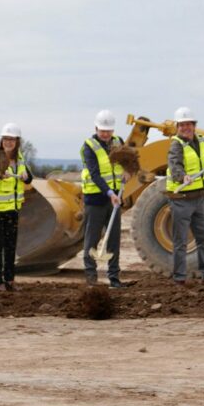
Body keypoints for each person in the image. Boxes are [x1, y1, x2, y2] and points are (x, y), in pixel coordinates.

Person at [166, 106, 204, 285]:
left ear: (194, 125)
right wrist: (183, 176)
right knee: (180, 241)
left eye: (188, 124)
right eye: (182, 125)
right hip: (181, 199)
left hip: (199, 198)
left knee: (203, 238)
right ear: (177, 127)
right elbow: (174, 165)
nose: (185, 128)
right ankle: (180, 278)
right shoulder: (176, 144)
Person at [80, 109, 131, 288]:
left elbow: (128, 161)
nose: (106, 134)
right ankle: (91, 280)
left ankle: (114, 280)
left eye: (108, 131)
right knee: (92, 240)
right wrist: (109, 193)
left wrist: (127, 171)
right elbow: (94, 174)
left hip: (115, 199)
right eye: (102, 130)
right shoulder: (89, 146)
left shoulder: (118, 142)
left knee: (113, 240)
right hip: (95, 199)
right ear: (96, 128)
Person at [0, 122, 33, 291]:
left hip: (12, 209)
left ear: (17, 141)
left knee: (11, 246)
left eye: (11, 139)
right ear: (1, 140)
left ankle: (10, 280)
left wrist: (26, 176)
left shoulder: (20, 159)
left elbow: (29, 179)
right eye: (6, 139)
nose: (8, 142)